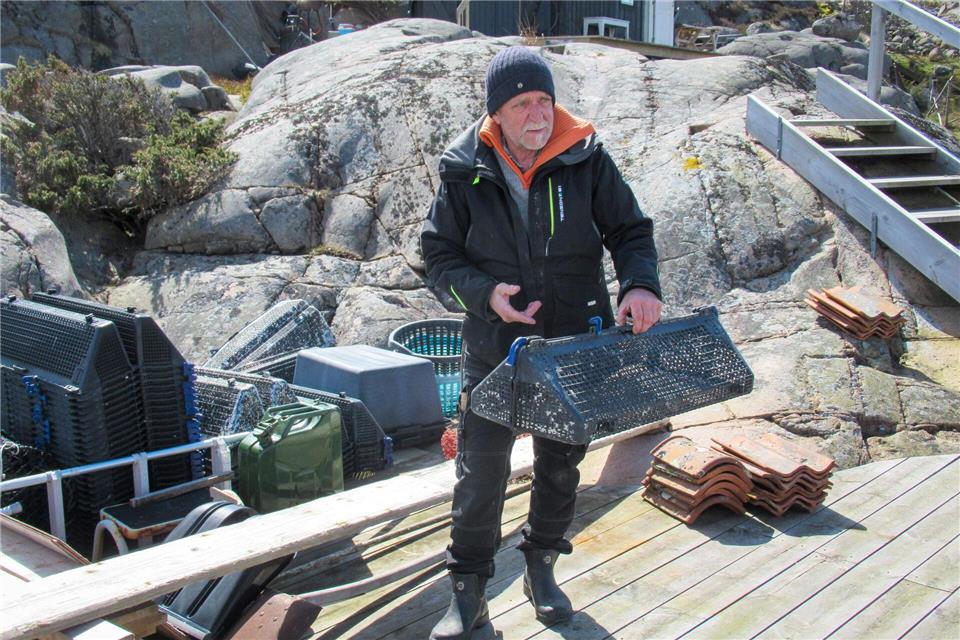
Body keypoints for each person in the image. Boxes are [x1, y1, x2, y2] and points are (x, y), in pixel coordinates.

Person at [421, 46, 662, 639]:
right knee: (481, 471)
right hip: (494, 346)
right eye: (522, 103)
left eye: (545, 100)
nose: (538, 115)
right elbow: (437, 258)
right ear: (496, 114)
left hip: (574, 341)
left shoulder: (587, 158)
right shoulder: (462, 169)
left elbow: (631, 230)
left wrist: (639, 285)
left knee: (560, 466)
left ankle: (542, 569)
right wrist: (485, 295)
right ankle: (469, 594)